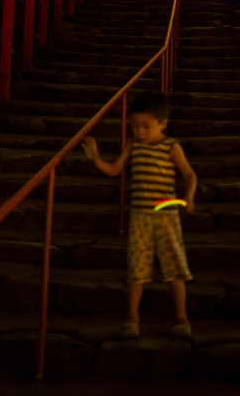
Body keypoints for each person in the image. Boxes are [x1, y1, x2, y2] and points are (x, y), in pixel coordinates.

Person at [81, 92, 197, 338]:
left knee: (173, 264)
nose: (140, 132)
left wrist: (189, 197)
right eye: (135, 126)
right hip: (140, 216)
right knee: (137, 266)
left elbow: (189, 174)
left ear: (163, 124)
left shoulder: (171, 146)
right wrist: (96, 160)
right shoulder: (132, 145)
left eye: (146, 126)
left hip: (166, 215)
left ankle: (181, 317)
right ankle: (132, 317)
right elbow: (115, 170)